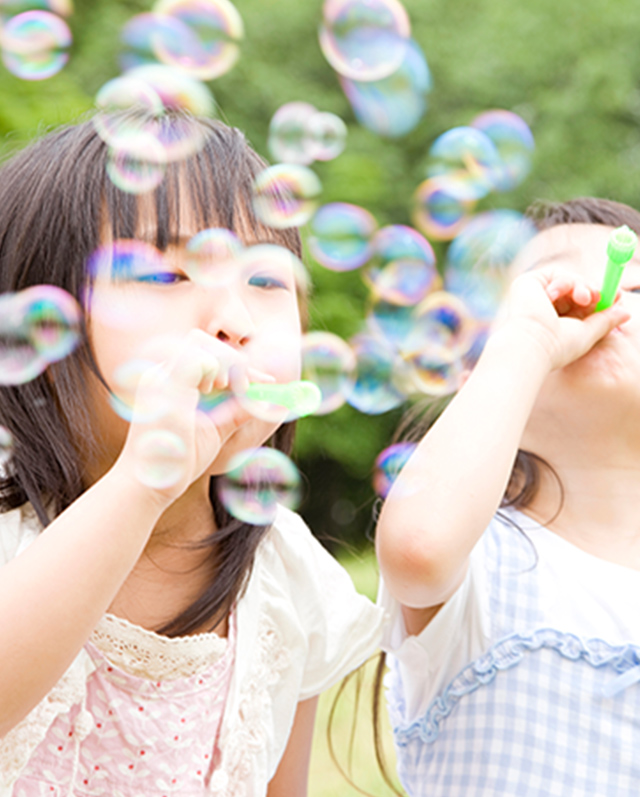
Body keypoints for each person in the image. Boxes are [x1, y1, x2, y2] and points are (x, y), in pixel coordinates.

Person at [0, 110, 384, 796]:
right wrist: (142, 483)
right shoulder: (12, 534)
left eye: (264, 281)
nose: (234, 320)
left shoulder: (287, 577)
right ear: (40, 329)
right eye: (167, 275)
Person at [375, 197, 640, 796]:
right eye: (549, 287)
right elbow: (418, 547)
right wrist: (527, 339)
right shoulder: (484, 560)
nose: (598, 296)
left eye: (639, 287)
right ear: (477, 375)